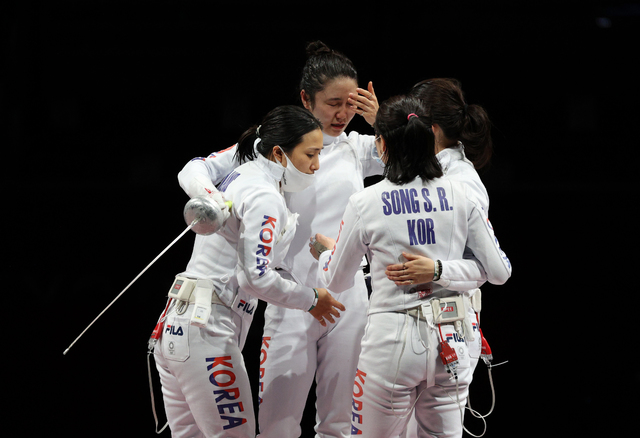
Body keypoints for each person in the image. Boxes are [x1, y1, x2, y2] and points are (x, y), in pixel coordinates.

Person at [176, 40, 383, 438]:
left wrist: (383, 123)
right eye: (332, 103)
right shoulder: (273, 146)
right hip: (290, 295)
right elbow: (194, 168)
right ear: (307, 98)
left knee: (341, 424)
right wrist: (214, 198)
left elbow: (424, 157)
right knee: (277, 427)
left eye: (350, 104)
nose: (343, 114)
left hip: (349, 295)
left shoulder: (360, 148)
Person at [311, 95, 511, 438]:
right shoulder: (461, 192)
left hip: (391, 345)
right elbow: (499, 271)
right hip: (452, 340)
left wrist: (327, 251)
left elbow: (338, 280)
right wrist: (441, 270)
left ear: (383, 144)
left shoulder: (365, 201)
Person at [151, 105, 345, 438]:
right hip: (207, 332)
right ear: (279, 153)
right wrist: (311, 299)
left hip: (178, 328)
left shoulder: (247, 172)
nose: (316, 165)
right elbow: (254, 278)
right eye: (311, 154)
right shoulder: (264, 194)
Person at [384, 78, 496, 438]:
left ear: (429, 128)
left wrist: (435, 269)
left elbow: (489, 269)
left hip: (448, 328)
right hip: (414, 328)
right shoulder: (433, 171)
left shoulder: (462, 183)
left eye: (410, 120)